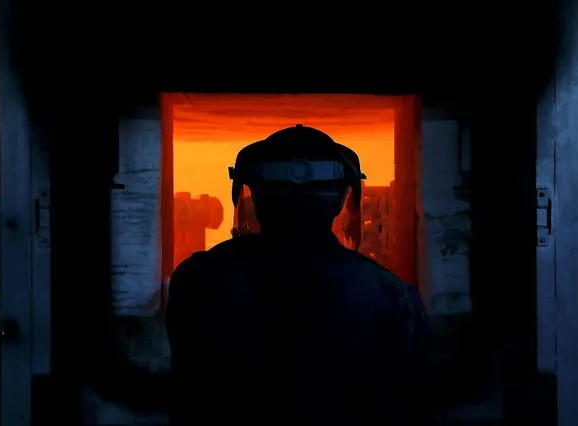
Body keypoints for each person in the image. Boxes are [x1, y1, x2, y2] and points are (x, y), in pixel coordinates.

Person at [166, 125, 431, 425]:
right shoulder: (392, 297)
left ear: (254, 196)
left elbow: (188, 397)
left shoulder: (198, 282)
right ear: (342, 198)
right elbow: (411, 405)